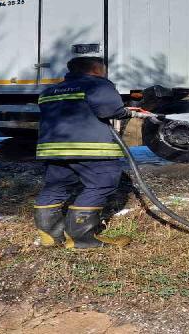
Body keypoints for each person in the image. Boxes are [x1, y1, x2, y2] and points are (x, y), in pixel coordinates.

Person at [33, 56, 154, 249]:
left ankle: (50, 236)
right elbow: (110, 110)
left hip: (53, 149)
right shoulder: (98, 85)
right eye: (103, 70)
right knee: (102, 183)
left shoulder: (49, 90)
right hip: (90, 149)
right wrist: (129, 111)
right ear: (96, 69)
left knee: (55, 187)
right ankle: (81, 239)